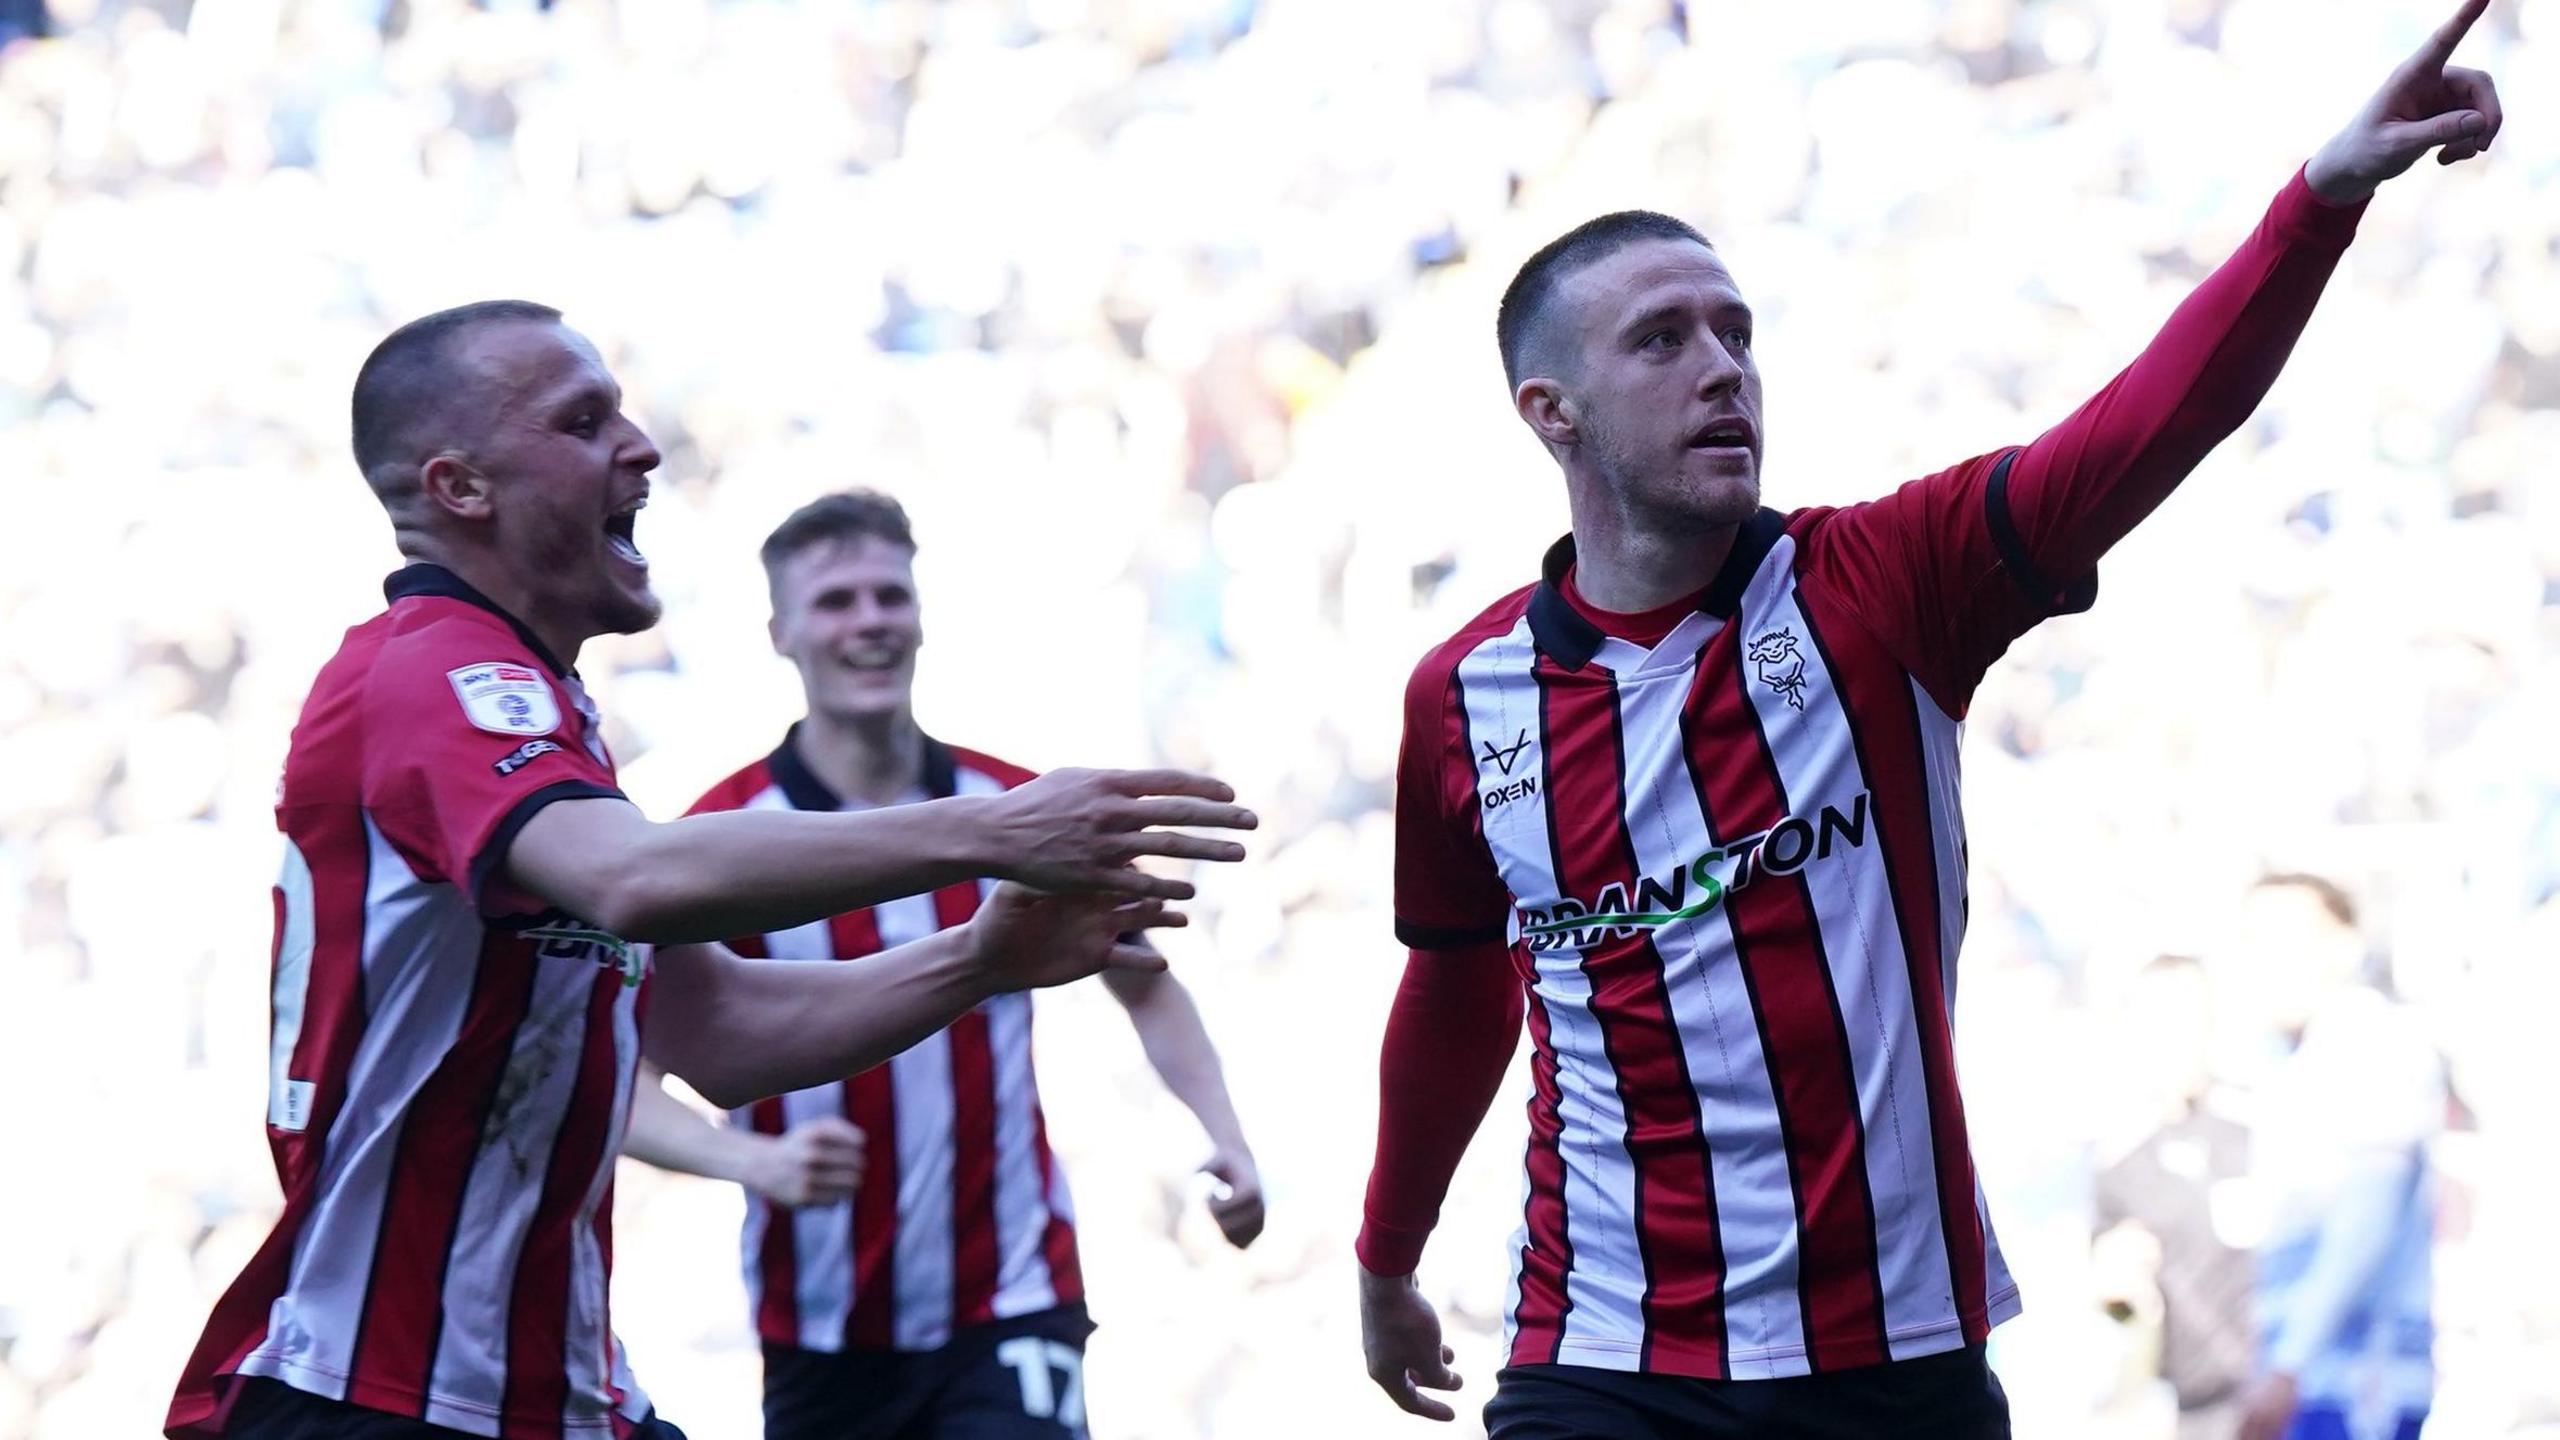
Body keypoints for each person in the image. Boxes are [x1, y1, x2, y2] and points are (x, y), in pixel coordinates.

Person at [1353, 6, 2501, 1435]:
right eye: (1662, 339)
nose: (1724, 366)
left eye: (1737, 331)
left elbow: (2148, 425)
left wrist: (2320, 197)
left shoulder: (1882, 585)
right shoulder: (1463, 702)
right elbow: (1460, 991)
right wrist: (1387, 1257)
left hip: (1891, 1366)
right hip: (1603, 1360)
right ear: (1552, 412)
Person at [165, 302, 1257, 1440]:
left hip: (558, 1392)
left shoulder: (551, 727)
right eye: (584, 422)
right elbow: (633, 880)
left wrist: (979, 957)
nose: (640, 447)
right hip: (380, 1396)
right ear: (460, 489)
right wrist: (988, 836)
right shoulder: (433, 675)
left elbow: (719, 1032)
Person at [619, 490, 1267, 1440]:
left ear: (921, 615)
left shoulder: (1015, 812)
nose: (871, 621)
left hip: (1011, 1294)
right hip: (821, 1326)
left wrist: (1224, 1132)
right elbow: (623, 1075)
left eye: (890, 595)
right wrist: (750, 1158)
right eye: (837, 600)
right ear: (780, 632)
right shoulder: (724, 838)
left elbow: (1145, 980)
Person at [2231, 876, 2442, 1440]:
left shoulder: (2378, 1045)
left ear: (2345, 945)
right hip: (2309, 1377)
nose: (2263, 961)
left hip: (2352, 1382)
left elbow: (2366, 1223)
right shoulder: (2294, 1061)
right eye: (2252, 940)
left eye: (2284, 939)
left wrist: (2287, 1364)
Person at [2091, 956, 2255, 1440]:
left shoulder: (2259, 1126)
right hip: (2193, 1407)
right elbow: (2114, 1300)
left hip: (2274, 1393)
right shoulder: (2118, 1159)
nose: (2176, 1034)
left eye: (2188, 1015)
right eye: (2159, 1018)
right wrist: (2116, 1287)